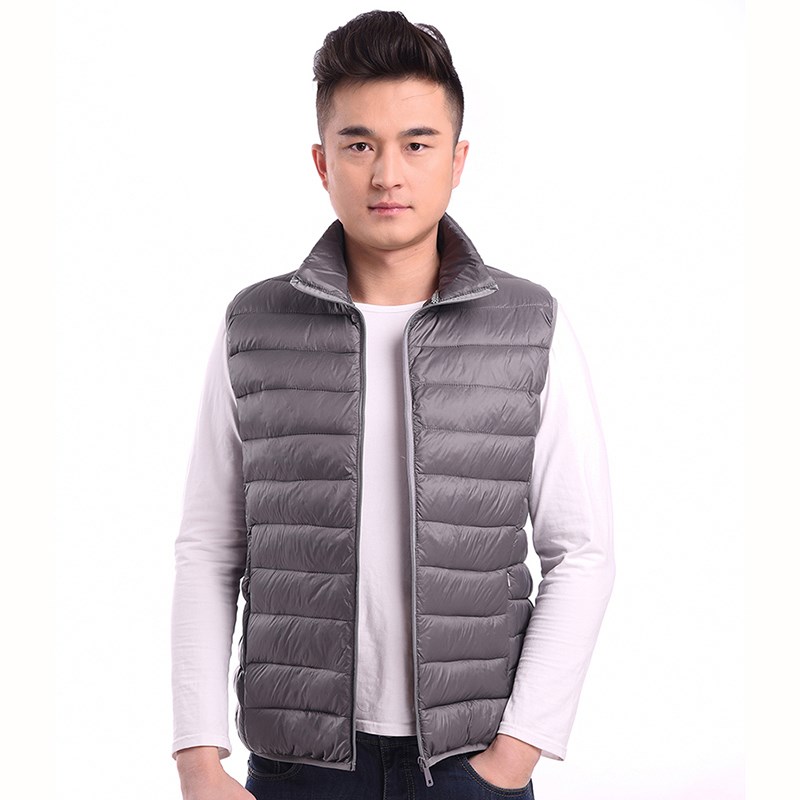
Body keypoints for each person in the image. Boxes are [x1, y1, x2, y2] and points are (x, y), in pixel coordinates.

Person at [171, 10, 615, 800]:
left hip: (468, 765)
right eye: (359, 145)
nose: (387, 175)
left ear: (457, 159)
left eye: (416, 144)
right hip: (299, 769)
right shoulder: (256, 325)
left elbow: (581, 550)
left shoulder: (529, 325)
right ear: (322, 161)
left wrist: (515, 754)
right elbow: (209, 547)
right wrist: (198, 761)